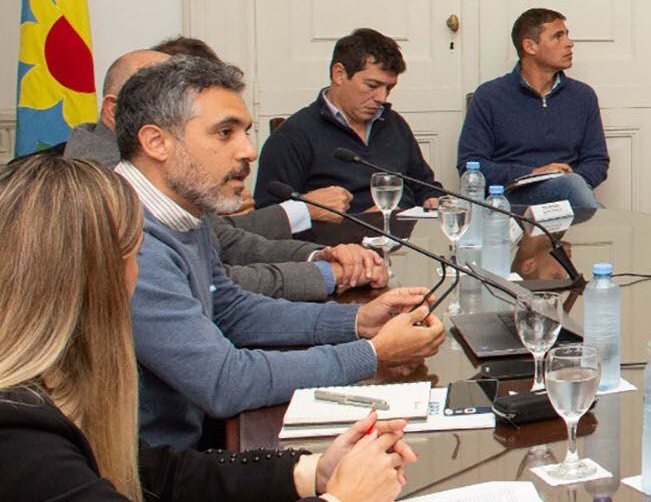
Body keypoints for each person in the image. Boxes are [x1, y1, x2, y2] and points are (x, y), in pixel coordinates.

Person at [0, 152, 418, 502]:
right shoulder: (14, 435)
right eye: (133, 255)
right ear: (95, 274)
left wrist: (310, 471)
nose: (140, 271)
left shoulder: (30, 390)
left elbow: (153, 472)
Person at [116, 57, 445, 448]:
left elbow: (230, 309)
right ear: (156, 142)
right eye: (225, 133)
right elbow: (224, 381)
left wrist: (357, 321)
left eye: (245, 132)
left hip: (190, 443)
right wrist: (372, 353)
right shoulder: (130, 236)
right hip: (152, 475)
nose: (249, 151)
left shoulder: (182, 209)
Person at [70, 48, 384, 300]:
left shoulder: (171, 183)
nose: (249, 151)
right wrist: (332, 276)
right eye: (223, 132)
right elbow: (216, 342)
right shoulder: (103, 194)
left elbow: (227, 251)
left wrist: (322, 258)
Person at [254, 28, 441, 215]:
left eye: (389, 88)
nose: (382, 98)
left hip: (404, 238)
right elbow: (271, 219)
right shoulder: (292, 136)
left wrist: (431, 198)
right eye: (372, 86)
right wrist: (360, 223)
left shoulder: (393, 123)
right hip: (336, 241)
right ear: (339, 74)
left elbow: (424, 186)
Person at [458, 8, 608, 212]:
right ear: (530, 46)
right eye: (557, 36)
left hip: (568, 196)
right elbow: (470, 164)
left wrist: (570, 179)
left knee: (570, 184)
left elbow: (597, 160)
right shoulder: (489, 96)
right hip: (511, 198)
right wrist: (533, 173)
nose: (569, 43)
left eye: (567, 35)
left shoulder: (583, 96)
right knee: (575, 190)